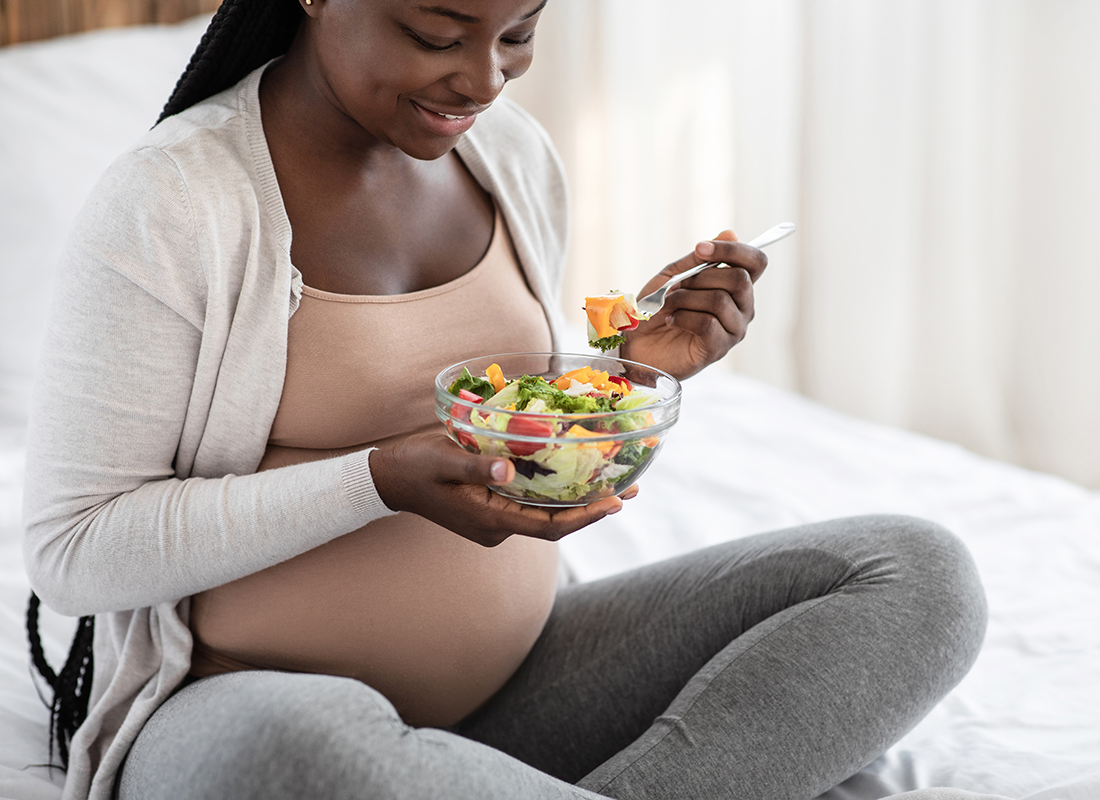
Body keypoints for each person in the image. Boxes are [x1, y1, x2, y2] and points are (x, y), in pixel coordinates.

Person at [21, 1, 987, 799]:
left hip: (529, 686)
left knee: (916, 575)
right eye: (438, 37)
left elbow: (515, 433)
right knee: (292, 754)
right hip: (256, 710)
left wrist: (632, 376)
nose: (483, 81)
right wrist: (379, 480)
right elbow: (73, 553)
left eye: (518, 33)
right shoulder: (173, 203)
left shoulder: (510, 155)